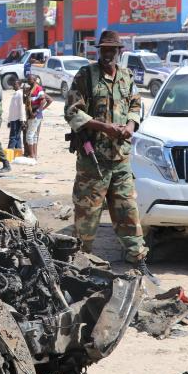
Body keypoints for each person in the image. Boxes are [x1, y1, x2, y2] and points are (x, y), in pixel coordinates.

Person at [63, 30, 159, 284]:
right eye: (103, 49)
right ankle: (79, 266)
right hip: (93, 160)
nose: (107, 54)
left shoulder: (127, 77)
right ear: (99, 51)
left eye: (112, 50)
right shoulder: (85, 76)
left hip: (121, 158)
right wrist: (103, 127)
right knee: (87, 214)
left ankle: (137, 261)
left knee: (127, 210)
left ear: (120, 52)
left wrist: (130, 125)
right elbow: (72, 112)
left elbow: (136, 105)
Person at [23, 73, 52, 160]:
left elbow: (43, 101)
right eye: (28, 79)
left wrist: (38, 111)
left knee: (29, 135)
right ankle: (34, 155)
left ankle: (31, 155)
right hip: (30, 114)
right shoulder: (30, 89)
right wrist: (24, 93)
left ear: (35, 80)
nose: (28, 81)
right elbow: (25, 102)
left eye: (30, 79)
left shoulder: (38, 88)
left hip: (35, 115)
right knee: (34, 135)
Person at [7, 79, 26, 151]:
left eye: (15, 84)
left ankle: (9, 151)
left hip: (17, 119)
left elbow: (22, 108)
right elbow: (12, 109)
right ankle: (18, 152)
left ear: (19, 85)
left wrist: (22, 120)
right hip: (13, 119)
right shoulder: (15, 94)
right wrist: (9, 120)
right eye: (13, 84)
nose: (13, 86)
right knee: (17, 137)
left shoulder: (20, 94)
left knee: (13, 137)